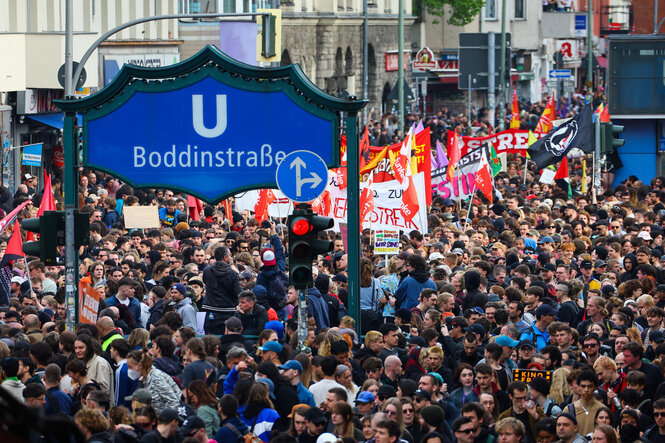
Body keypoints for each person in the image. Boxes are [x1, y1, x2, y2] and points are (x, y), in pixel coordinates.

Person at [202, 245, 243, 335]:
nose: (231, 257)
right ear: (225, 257)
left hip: (210, 310)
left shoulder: (207, 271)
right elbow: (238, 293)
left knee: (210, 340)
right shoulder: (233, 274)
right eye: (230, 255)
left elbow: (205, 282)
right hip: (227, 311)